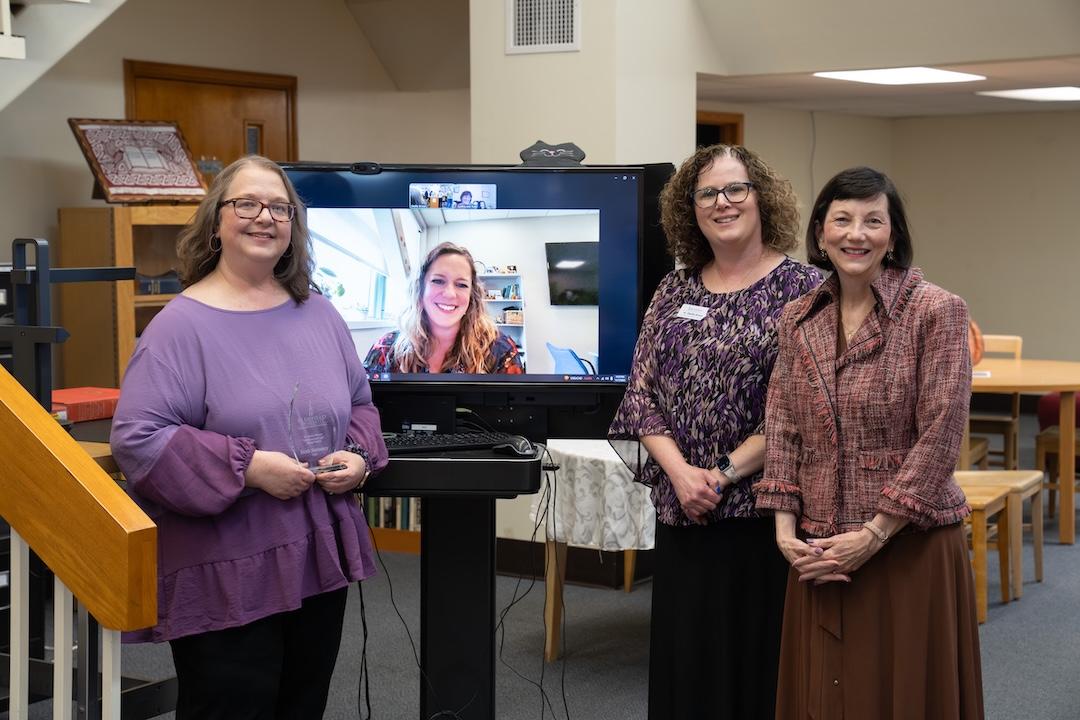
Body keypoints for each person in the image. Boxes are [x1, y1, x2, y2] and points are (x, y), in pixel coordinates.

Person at [110, 155, 388, 720]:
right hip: (228, 569)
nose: (265, 217)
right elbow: (139, 439)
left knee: (301, 705)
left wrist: (358, 457)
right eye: (247, 204)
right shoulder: (179, 327)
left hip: (317, 557)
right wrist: (248, 467)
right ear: (216, 222)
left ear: (293, 225)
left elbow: (360, 404)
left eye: (280, 207)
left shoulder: (320, 315)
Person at [755, 166, 984, 719]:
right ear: (820, 233)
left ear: (893, 236)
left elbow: (941, 435)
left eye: (873, 221)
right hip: (818, 552)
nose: (856, 234)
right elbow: (783, 423)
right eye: (842, 220)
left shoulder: (936, 310)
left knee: (900, 695)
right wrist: (786, 533)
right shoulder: (798, 317)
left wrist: (875, 533)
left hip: (908, 547)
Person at [608, 144, 822, 719]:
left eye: (736, 189)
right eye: (707, 193)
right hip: (683, 511)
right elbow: (639, 393)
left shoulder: (805, 290)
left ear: (761, 198)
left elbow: (797, 409)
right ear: (689, 208)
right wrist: (682, 475)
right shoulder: (673, 290)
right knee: (687, 665)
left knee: (754, 668)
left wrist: (722, 476)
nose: (722, 203)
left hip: (760, 516)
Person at [364, 242, 525, 374]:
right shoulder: (386, 348)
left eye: (461, 285)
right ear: (421, 289)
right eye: (438, 281)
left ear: (471, 295)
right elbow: (361, 405)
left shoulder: (500, 351)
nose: (449, 294)